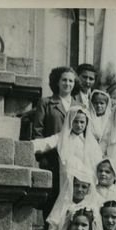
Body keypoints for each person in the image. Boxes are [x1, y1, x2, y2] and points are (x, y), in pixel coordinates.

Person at [33, 66, 81, 217]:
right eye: (64, 80)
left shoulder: (79, 105)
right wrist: (42, 158)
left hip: (74, 158)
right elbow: (37, 131)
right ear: (57, 82)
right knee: (52, 198)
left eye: (71, 81)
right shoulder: (46, 103)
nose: (67, 84)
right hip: (53, 157)